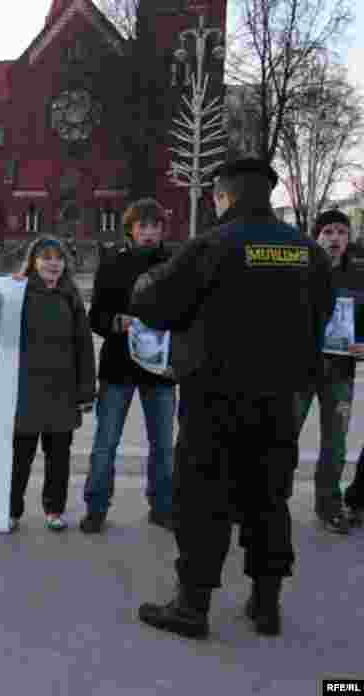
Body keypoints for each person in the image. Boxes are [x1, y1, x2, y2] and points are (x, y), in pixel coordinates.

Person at [129, 158, 334, 640]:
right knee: (269, 499)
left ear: (224, 195)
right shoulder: (308, 251)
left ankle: (192, 605)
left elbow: (154, 303)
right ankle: (266, 605)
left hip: (214, 398)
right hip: (281, 400)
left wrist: (146, 287)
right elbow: (323, 315)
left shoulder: (213, 245)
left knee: (204, 499)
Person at [81, 199, 176, 534]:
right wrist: (115, 322)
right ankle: (96, 506)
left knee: (164, 444)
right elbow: (95, 317)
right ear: (131, 230)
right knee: (106, 441)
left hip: (160, 369)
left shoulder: (176, 264)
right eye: (142, 226)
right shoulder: (112, 265)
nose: (148, 233)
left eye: (154, 226)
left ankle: (162, 506)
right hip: (118, 365)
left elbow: (188, 313)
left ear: (163, 230)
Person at [9, 236, 96, 531]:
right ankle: (12, 510)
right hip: (26, 392)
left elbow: (84, 346)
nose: (53, 263)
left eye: (58, 258)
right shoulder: (17, 292)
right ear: (33, 261)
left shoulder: (70, 296)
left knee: (58, 459)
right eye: (46, 257)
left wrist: (86, 391)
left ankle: (54, 510)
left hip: (62, 391)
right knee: (20, 458)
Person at [298, 209, 364, 534]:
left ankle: (329, 504)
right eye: (328, 232)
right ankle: (266, 501)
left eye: (341, 232)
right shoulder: (300, 271)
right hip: (300, 370)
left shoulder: (358, 276)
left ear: (348, 237)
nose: (335, 238)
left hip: (340, 372)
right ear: (316, 236)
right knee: (282, 437)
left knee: (335, 443)